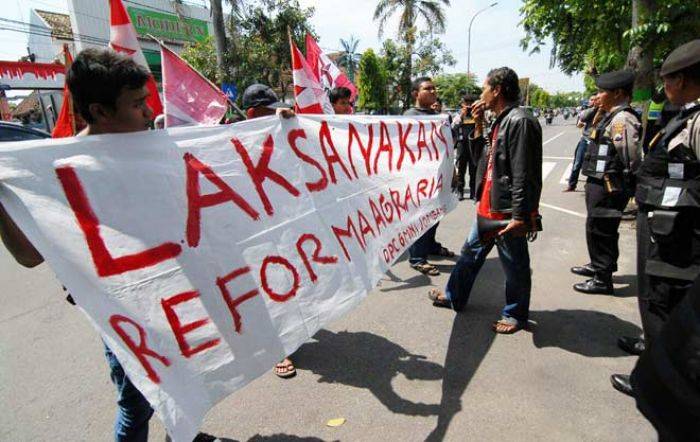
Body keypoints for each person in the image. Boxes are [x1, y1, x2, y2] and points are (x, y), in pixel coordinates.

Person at [0, 49, 220, 442]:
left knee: (181, 378)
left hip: (172, 296)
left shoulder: (148, 147)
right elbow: (29, 255)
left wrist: (283, 131)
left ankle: (182, 433)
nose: (149, 112)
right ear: (99, 112)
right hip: (125, 312)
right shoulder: (60, 171)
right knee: (136, 404)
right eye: (137, 104)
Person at [611, 39, 700, 397]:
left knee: (665, 303)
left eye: (667, 81)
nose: (665, 88)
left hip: (682, 237)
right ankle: (655, 350)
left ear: (680, 80)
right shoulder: (687, 114)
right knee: (657, 301)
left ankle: (659, 382)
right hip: (666, 229)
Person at [427, 67, 543, 334]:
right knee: (469, 255)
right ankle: (454, 296)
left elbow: (523, 172)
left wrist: (519, 216)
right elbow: (482, 160)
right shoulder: (500, 120)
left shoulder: (519, 121)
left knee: (515, 266)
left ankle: (515, 314)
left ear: (497, 90)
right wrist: (479, 123)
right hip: (487, 206)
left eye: (484, 88)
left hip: (505, 211)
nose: (482, 94)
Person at [241, 83, 297, 379]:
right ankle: (278, 349)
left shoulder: (277, 131)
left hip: (281, 224)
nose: (275, 116)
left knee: (285, 282)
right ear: (251, 114)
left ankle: (288, 333)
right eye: (268, 112)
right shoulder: (223, 140)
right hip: (250, 231)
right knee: (268, 287)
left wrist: (290, 120)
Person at [571, 70, 642, 295]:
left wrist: (629, 185)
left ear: (618, 93)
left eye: (602, 91)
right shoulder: (610, 115)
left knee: (603, 229)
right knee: (596, 226)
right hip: (600, 182)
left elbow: (631, 158)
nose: (598, 96)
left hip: (610, 185)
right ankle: (597, 265)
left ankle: (603, 278)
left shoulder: (623, 119)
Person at [404, 77, 454, 276]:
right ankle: (417, 257)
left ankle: (431, 246)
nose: (434, 91)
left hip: (437, 175)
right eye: (428, 88)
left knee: (436, 214)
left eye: (434, 88)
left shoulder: (437, 116)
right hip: (418, 177)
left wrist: (453, 171)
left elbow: (446, 146)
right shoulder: (410, 116)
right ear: (416, 93)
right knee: (421, 216)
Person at [563, 95, 602, 192]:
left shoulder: (604, 110)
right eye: (592, 99)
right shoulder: (588, 110)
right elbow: (583, 118)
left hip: (597, 142)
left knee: (593, 166)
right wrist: (594, 108)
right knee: (577, 163)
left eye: (596, 99)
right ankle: (572, 185)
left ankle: (590, 186)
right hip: (585, 140)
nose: (593, 101)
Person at [452, 93, 479, 200]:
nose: (468, 106)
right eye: (466, 103)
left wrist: (478, 116)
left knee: (473, 170)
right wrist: (462, 115)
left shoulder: (478, 114)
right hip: (461, 145)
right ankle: (460, 191)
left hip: (474, 145)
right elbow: (453, 127)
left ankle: (473, 192)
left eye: (470, 103)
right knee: (461, 170)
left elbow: (484, 126)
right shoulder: (458, 115)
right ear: (462, 104)